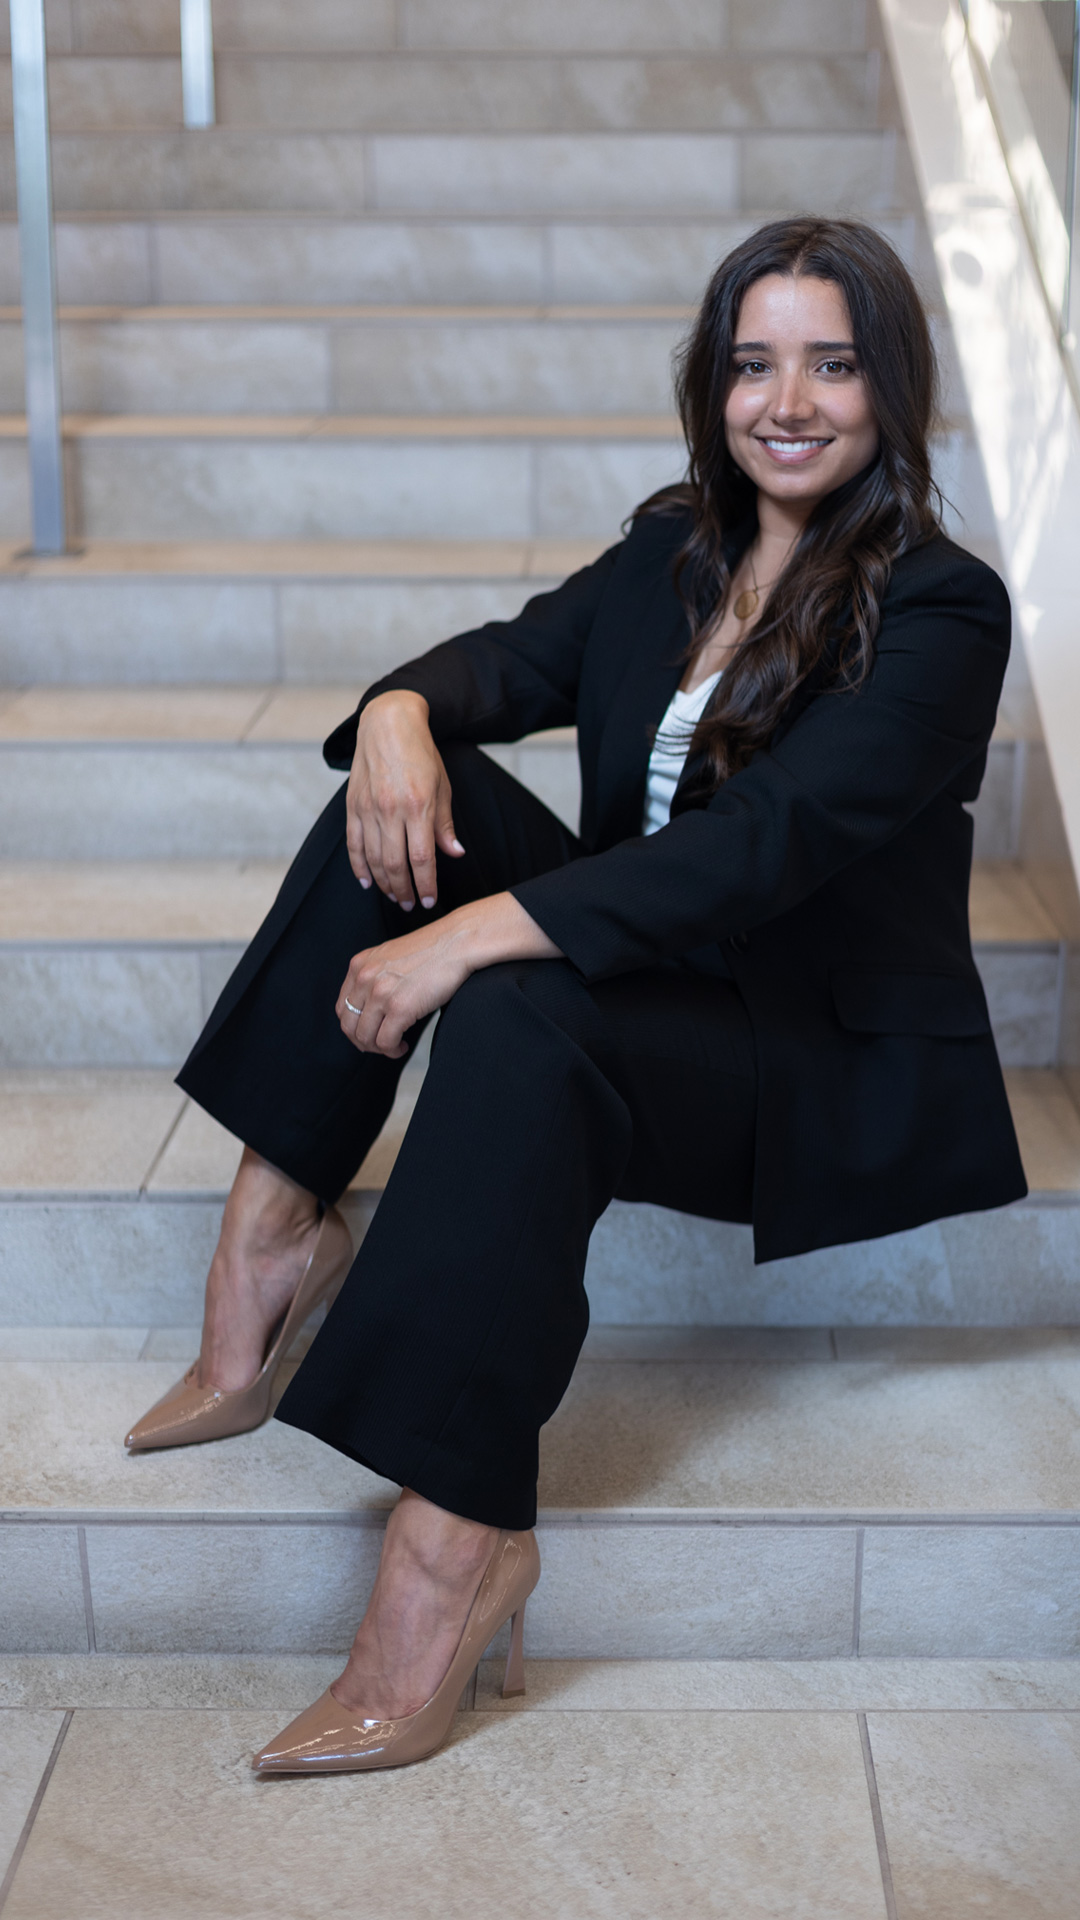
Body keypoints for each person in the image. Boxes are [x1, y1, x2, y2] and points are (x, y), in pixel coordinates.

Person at [124, 217, 1026, 1774]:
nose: (788, 400)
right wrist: (400, 711)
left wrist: (470, 944)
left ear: (890, 388)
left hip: (783, 1055)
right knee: (411, 808)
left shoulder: (944, 609)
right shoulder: (678, 541)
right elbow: (518, 659)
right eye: (754, 362)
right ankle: (279, 1230)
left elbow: (759, 853)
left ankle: (456, 1542)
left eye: (832, 362)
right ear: (714, 380)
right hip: (638, 966)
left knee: (517, 1008)